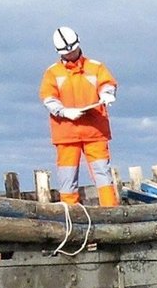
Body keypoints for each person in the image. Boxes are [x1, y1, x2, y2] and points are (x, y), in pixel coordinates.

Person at [39, 26, 120, 206]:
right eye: (66, 52)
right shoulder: (52, 73)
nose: (71, 54)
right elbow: (48, 98)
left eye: (73, 50)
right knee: (67, 180)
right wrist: (64, 111)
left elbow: (107, 83)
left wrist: (107, 93)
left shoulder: (96, 67)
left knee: (103, 177)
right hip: (66, 134)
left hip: (94, 131)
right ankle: (71, 216)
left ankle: (110, 214)